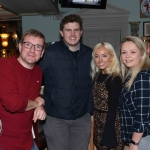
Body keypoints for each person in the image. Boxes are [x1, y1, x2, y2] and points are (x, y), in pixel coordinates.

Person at [38, 14, 94, 150]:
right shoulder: (49, 53)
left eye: (76, 30)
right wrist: (37, 103)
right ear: (61, 32)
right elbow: (35, 79)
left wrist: (90, 111)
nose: (72, 34)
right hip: (56, 119)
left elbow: (95, 82)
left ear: (81, 32)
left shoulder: (90, 54)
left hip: (82, 118)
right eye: (68, 30)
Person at [0, 29, 46, 150]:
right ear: (20, 47)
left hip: (28, 142)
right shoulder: (5, 65)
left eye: (37, 47)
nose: (32, 50)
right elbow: (13, 103)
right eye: (28, 45)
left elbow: (31, 97)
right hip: (5, 144)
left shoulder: (37, 72)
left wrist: (39, 105)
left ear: (42, 53)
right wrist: (37, 103)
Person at [91, 42, 124, 150]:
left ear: (112, 57)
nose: (100, 60)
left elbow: (113, 108)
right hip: (99, 123)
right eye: (97, 56)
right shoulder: (97, 76)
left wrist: (108, 135)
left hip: (111, 126)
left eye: (104, 55)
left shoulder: (114, 79)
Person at [119, 36, 150, 150]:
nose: (127, 56)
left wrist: (134, 143)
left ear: (141, 55)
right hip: (134, 139)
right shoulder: (130, 77)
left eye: (132, 52)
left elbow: (142, 114)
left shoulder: (142, 77)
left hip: (142, 140)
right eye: (124, 52)